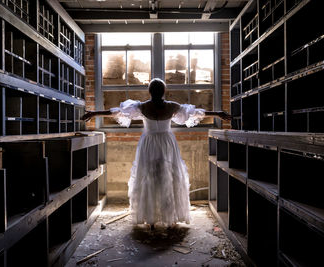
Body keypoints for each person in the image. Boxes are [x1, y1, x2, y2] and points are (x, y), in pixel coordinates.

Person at [82, 78, 231, 229]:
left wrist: (94, 113)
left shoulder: (142, 106)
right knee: (170, 176)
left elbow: (117, 111)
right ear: (164, 91)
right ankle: (169, 218)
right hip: (167, 142)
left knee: (149, 176)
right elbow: (196, 112)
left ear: (150, 91)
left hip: (149, 142)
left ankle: (151, 219)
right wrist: (217, 113)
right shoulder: (172, 106)